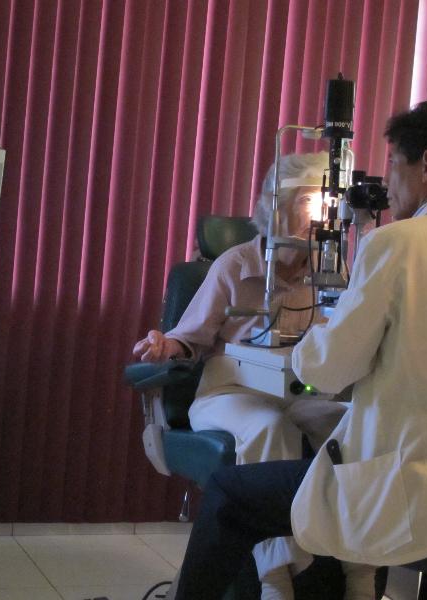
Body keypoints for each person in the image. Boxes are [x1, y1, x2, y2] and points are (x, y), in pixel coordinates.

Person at [171, 101, 427, 600]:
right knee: (319, 433)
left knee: (228, 495)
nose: (387, 182)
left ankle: (317, 580)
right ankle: (346, 583)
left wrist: (310, 345)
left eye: (393, 163)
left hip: (421, 489)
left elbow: (327, 371)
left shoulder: (396, 244)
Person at [133, 152, 351, 599]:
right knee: (270, 428)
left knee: (354, 427)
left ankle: (357, 573)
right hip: (227, 394)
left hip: (299, 391)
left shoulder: (329, 271)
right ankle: (276, 576)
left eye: (325, 204)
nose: (319, 216)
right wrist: (163, 345)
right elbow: (188, 338)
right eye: (308, 202)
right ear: (277, 206)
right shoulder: (234, 265)